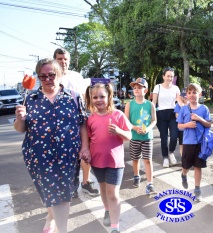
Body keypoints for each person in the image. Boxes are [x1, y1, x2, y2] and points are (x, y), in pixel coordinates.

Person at [14, 58, 89, 233]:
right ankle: (56, 223)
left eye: (52, 75)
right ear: (38, 78)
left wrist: (85, 147)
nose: (48, 79)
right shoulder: (30, 99)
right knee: (51, 193)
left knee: (64, 193)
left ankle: (55, 222)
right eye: (43, 76)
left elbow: (82, 123)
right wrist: (20, 119)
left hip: (68, 154)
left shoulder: (73, 97)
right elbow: (20, 129)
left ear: (60, 74)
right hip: (39, 156)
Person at [85, 82, 132, 233]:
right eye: (95, 97)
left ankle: (115, 227)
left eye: (102, 96)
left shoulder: (118, 114)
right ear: (91, 99)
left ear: (109, 96)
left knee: (113, 193)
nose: (99, 100)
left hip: (115, 162)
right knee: (104, 190)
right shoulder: (90, 119)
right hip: (97, 161)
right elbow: (89, 139)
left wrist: (119, 131)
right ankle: (107, 210)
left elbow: (129, 136)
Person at [53, 48, 99, 197]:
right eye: (60, 59)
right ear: (55, 60)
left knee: (87, 151)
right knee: (65, 156)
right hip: (61, 124)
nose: (63, 62)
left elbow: (87, 96)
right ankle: (69, 186)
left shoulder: (77, 76)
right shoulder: (52, 77)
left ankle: (86, 182)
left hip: (81, 120)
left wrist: (93, 113)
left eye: (65, 59)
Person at [177, 83, 212, 201]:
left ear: (200, 94)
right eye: (189, 93)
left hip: (201, 143)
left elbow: (209, 124)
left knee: (198, 166)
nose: (192, 95)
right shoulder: (183, 109)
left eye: (194, 92)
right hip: (188, 142)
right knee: (186, 165)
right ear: (186, 95)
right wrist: (187, 124)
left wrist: (199, 119)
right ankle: (184, 174)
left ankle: (197, 189)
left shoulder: (204, 108)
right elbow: (179, 126)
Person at [124, 78, 157, 195]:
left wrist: (147, 128)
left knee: (148, 159)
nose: (137, 90)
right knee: (135, 158)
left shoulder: (150, 104)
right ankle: (136, 175)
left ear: (146, 90)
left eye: (140, 88)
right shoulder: (129, 104)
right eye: (135, 88)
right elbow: (126, 121)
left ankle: (150, 183)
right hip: (134, 137)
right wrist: (134, 127)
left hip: (147, 137)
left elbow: (154, 120)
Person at [152, 67, 183, 168]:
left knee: (174, 136)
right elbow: (154, 102)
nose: (170, 78)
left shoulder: (175, 88)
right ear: (163, 76)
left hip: (173, 114)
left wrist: (189, 108)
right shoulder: (158, 87)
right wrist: (151, 115)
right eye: (168, 76)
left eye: (172, 76)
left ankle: (171, 152)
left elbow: (180, 102)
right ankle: (165, 157)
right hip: (161, 114)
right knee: (164, 138)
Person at [174, 88, 188, 156]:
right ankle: (183, 158)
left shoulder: (191, 104)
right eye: (183, 96)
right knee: (182, 144)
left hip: (190, 127)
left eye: (186, 96)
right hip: (182, 128)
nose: (185, 98)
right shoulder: (178, 105)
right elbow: (177, 115)